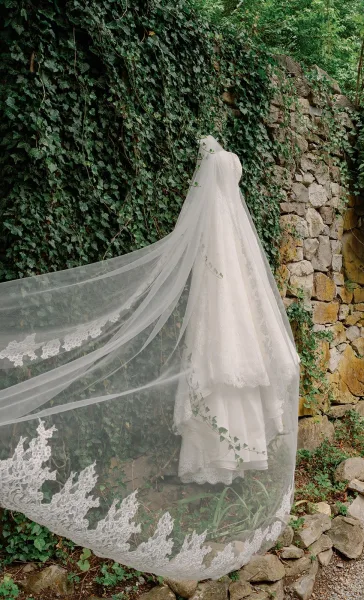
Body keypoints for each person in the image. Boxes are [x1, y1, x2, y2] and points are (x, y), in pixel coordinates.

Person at [0, 136, 300, 580]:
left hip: (224, 270)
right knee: (222, 355)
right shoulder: (225, 199)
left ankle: (224, 457)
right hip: (219, 269)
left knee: (226, 356)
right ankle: (217, 459)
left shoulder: (221, 195)